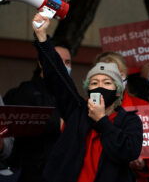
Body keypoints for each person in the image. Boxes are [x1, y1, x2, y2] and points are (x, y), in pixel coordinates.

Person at [32, 13, 143, 182]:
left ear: (118, 91)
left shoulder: (130, 121)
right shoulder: (77, 110)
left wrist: (102, 121)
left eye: (107, 82)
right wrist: (41, 37)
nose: (99, 86)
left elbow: (128, 151)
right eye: (94, 82)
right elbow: (58, 76)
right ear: (87, 89)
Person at [2, 45, 71, 182]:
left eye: (67, 62)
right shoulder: (23, 92)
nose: (63, 66)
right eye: (57, 60)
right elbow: (14, 121)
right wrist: (58, 123)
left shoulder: (71, 97)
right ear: (41, 63)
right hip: (31, 174)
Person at [93, 51, 149, 182]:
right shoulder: (87, 108)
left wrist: (143, 165)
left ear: (124, 76)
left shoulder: (145, 107)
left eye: (118, 74)